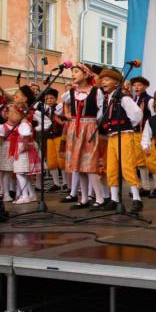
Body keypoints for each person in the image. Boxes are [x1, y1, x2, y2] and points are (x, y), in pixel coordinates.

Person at [98, 68, 144, 212]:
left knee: (127, 165)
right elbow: (101, 117)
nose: (103, 82)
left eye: (107, 79)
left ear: (116, 82)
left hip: (124, 134)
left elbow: (137, 114)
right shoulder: (106, 100)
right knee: (111, 167)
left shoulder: (123, 98)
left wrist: (127, 126)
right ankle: (114, 199)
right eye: (102, 79)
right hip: (112, 136)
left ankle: (136, 198)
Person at [62, 63, 107, 209]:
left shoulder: (95, 91)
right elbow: (63, 105)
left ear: (86, 74)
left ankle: (99, 198)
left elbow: (102, 110)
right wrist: (68, 115)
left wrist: (94, 123)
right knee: (78, 165)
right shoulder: (71, 92)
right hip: (75, 128)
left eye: (76, 71)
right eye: (72, 72)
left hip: (89, 127)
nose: (73, 74)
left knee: (90, 164)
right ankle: (84, 198)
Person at [130, 76, 156, 198]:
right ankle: (146, 187)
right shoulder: (134, 100)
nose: (136, 87)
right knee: (140, 162)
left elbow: (154, 117)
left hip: (147, 134)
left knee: (152, 161)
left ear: (145, 86)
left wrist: (154, 134)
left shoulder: (149, 100)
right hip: (136, 134)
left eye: (139, 85)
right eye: (134, 85)